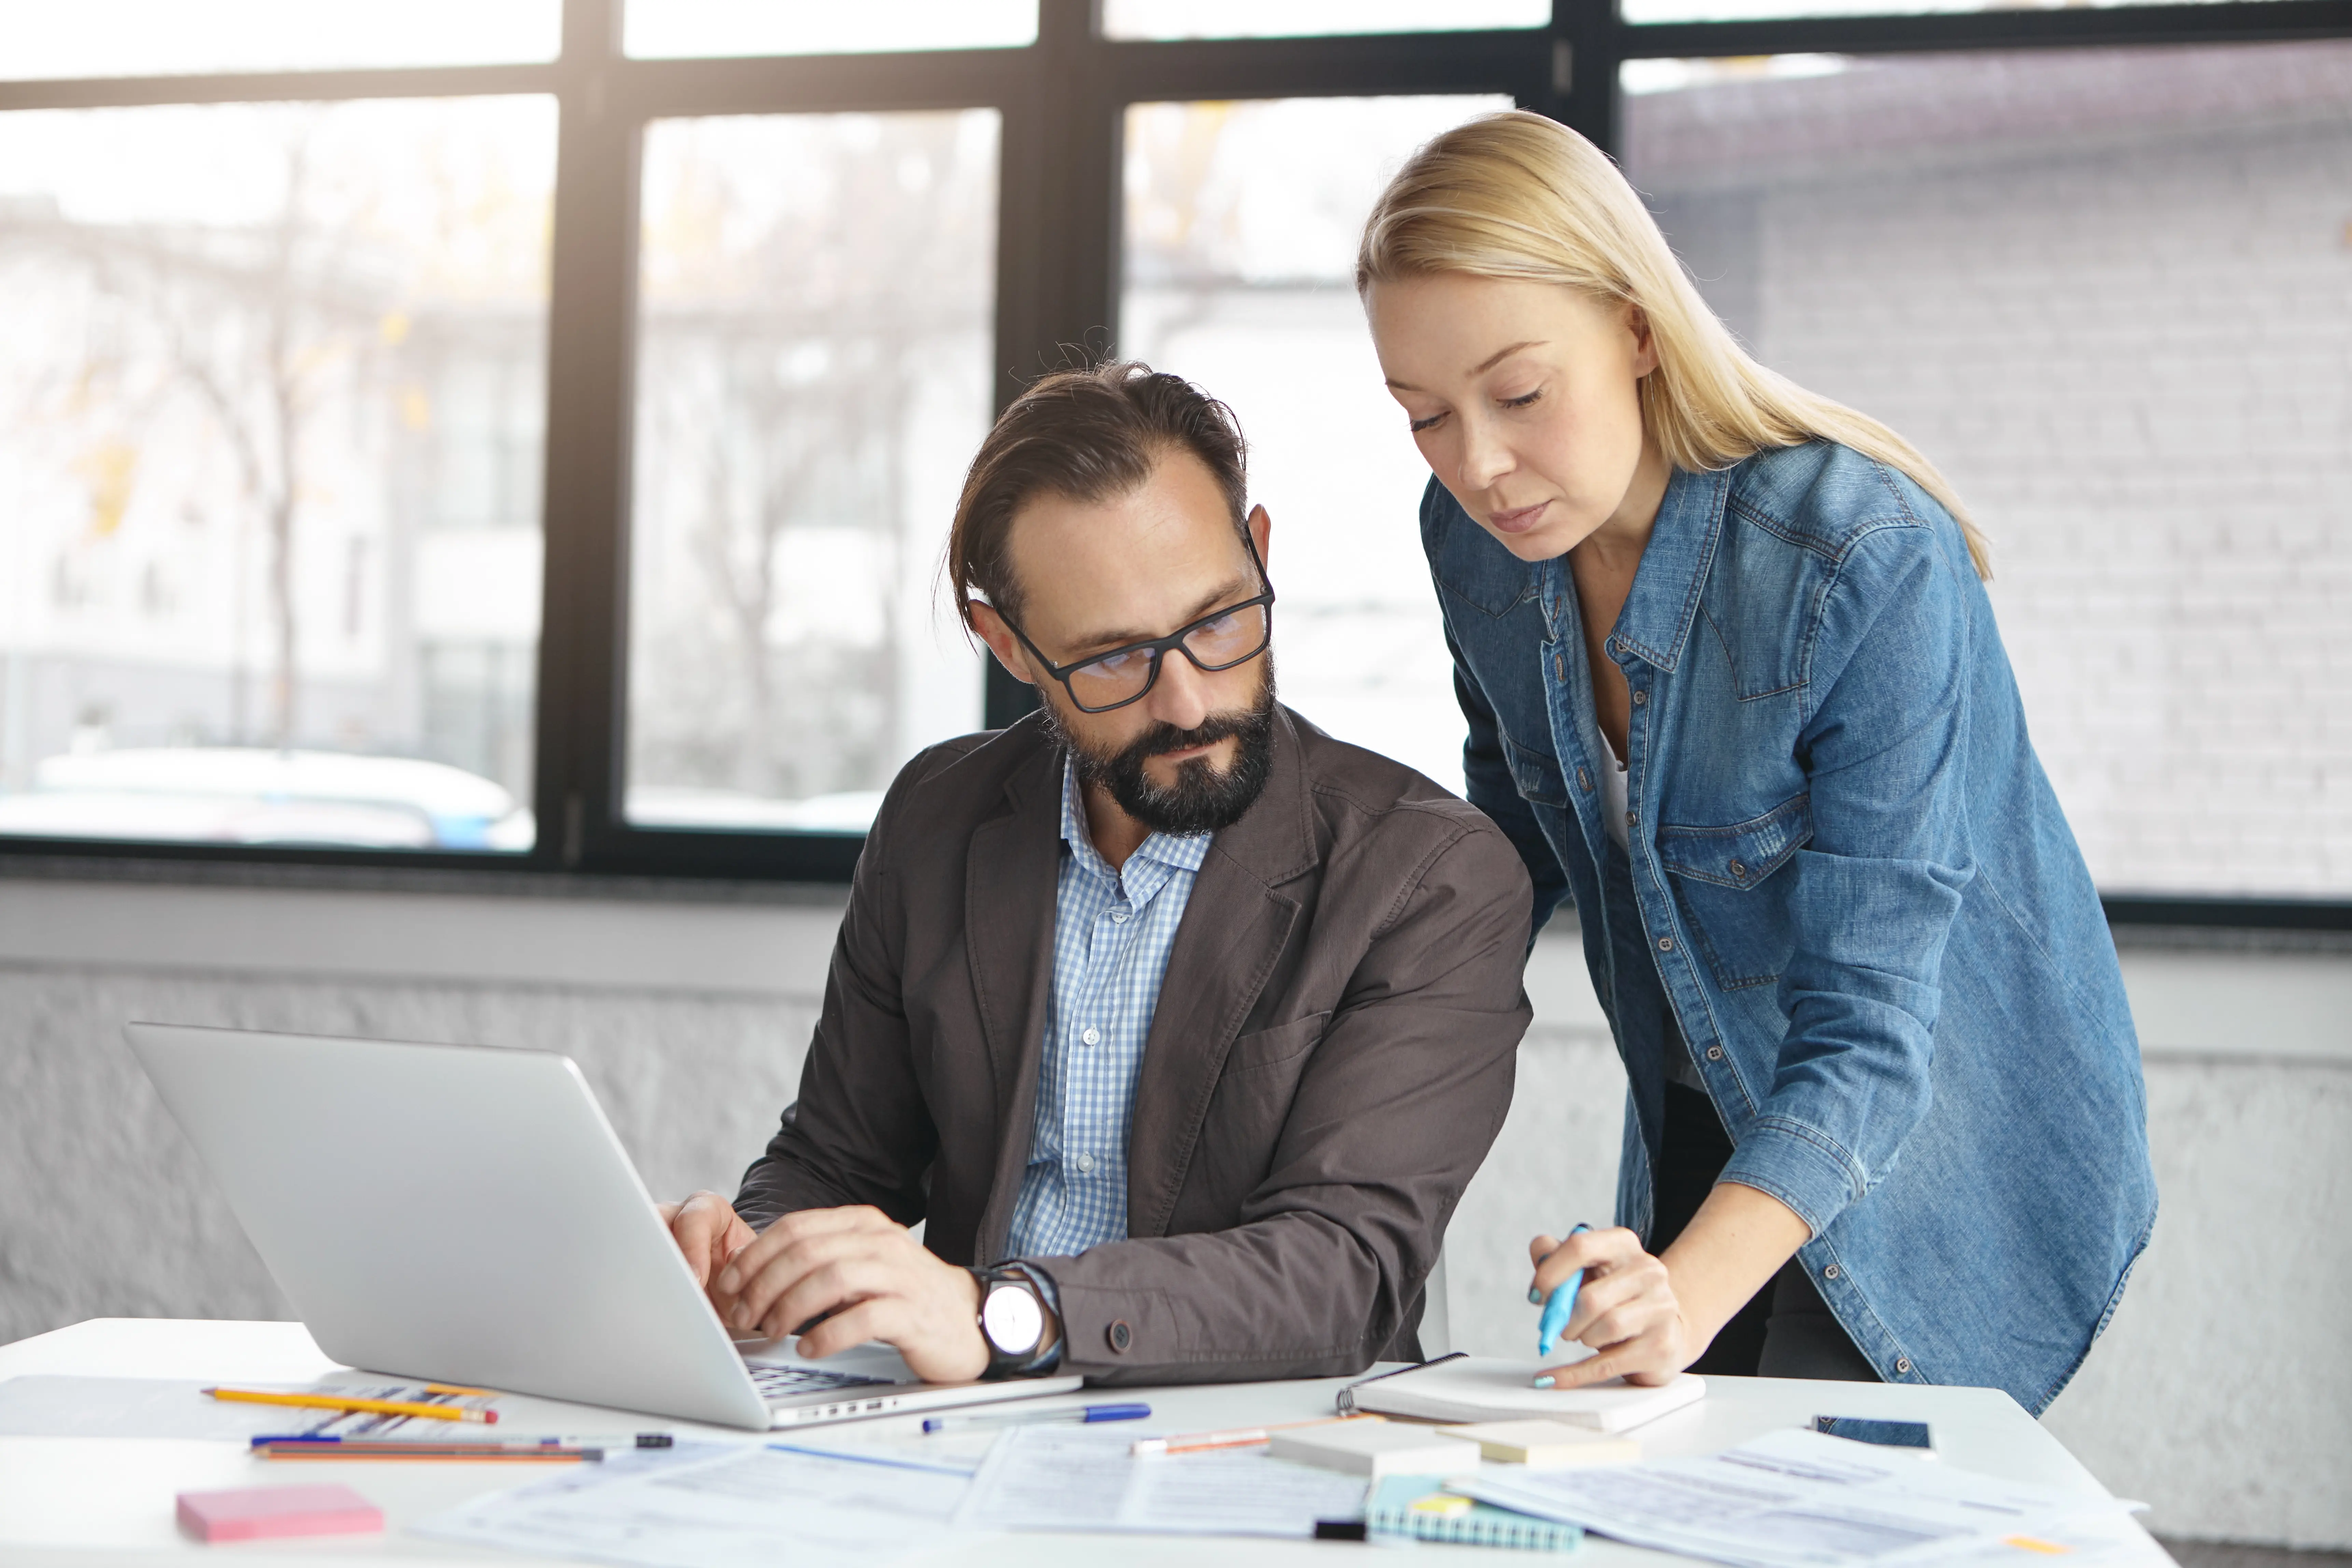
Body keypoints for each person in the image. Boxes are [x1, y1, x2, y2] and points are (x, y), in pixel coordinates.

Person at [1355, 112, 2156, 1413]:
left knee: (1812, 1506)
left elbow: (1872, 1030)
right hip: (1703, 1090)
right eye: (1424, 417)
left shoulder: (1862, 559)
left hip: (1931, 1138)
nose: (1480, 467)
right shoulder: (1476, 547)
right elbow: (1503, 842)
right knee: (1658, 1481)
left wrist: (1683, 1289)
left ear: (1634, 327)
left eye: (1518, 394)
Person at [660, 362, 1568, 1386]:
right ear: (1005, 643)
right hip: (952, 1435)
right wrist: (752, 1253)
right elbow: (833, 1162)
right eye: (1111, 660)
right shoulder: (937, 817)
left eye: (1220, 619)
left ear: (1259, 553)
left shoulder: (1429, 877)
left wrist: (1004, 1314)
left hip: (1252, 1450)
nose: (1187, 702)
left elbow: (1340, 1274)